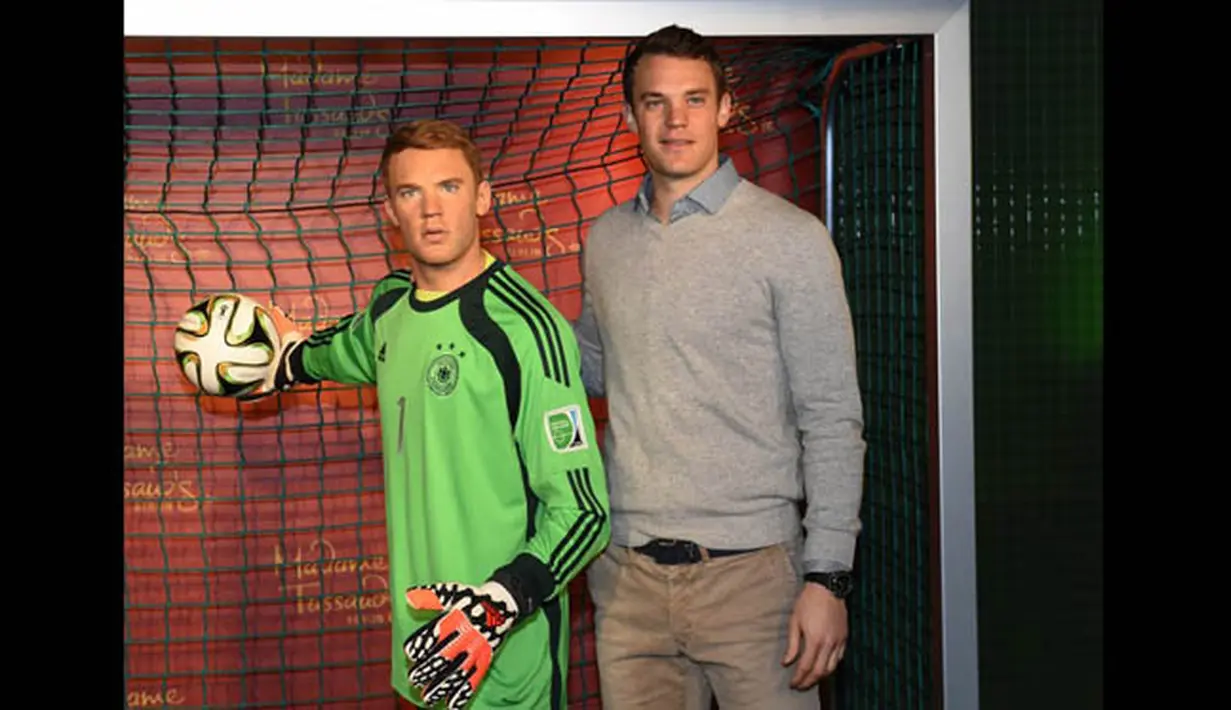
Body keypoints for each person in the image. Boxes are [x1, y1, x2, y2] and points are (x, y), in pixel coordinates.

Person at [227, 119, 611, 710]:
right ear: (390, 209)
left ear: (482, 198)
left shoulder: (526, 330)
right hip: (421, 650)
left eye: (450, 188)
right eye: (412, 193)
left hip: (506, 657)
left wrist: (499, 603)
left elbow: (585, 513)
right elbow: (338, 349)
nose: (432, 210)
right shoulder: (389, 311)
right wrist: (283, 362)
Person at [572, 24, 867, 710]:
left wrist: (827, 580)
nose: (676, 120)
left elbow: (831, 418)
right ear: (628, 115)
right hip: (628, 583)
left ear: (726, 109)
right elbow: (592, 370)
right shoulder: (605, 239)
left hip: (756, 586)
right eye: (655, 102)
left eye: (695, 99)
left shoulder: (790, 239)